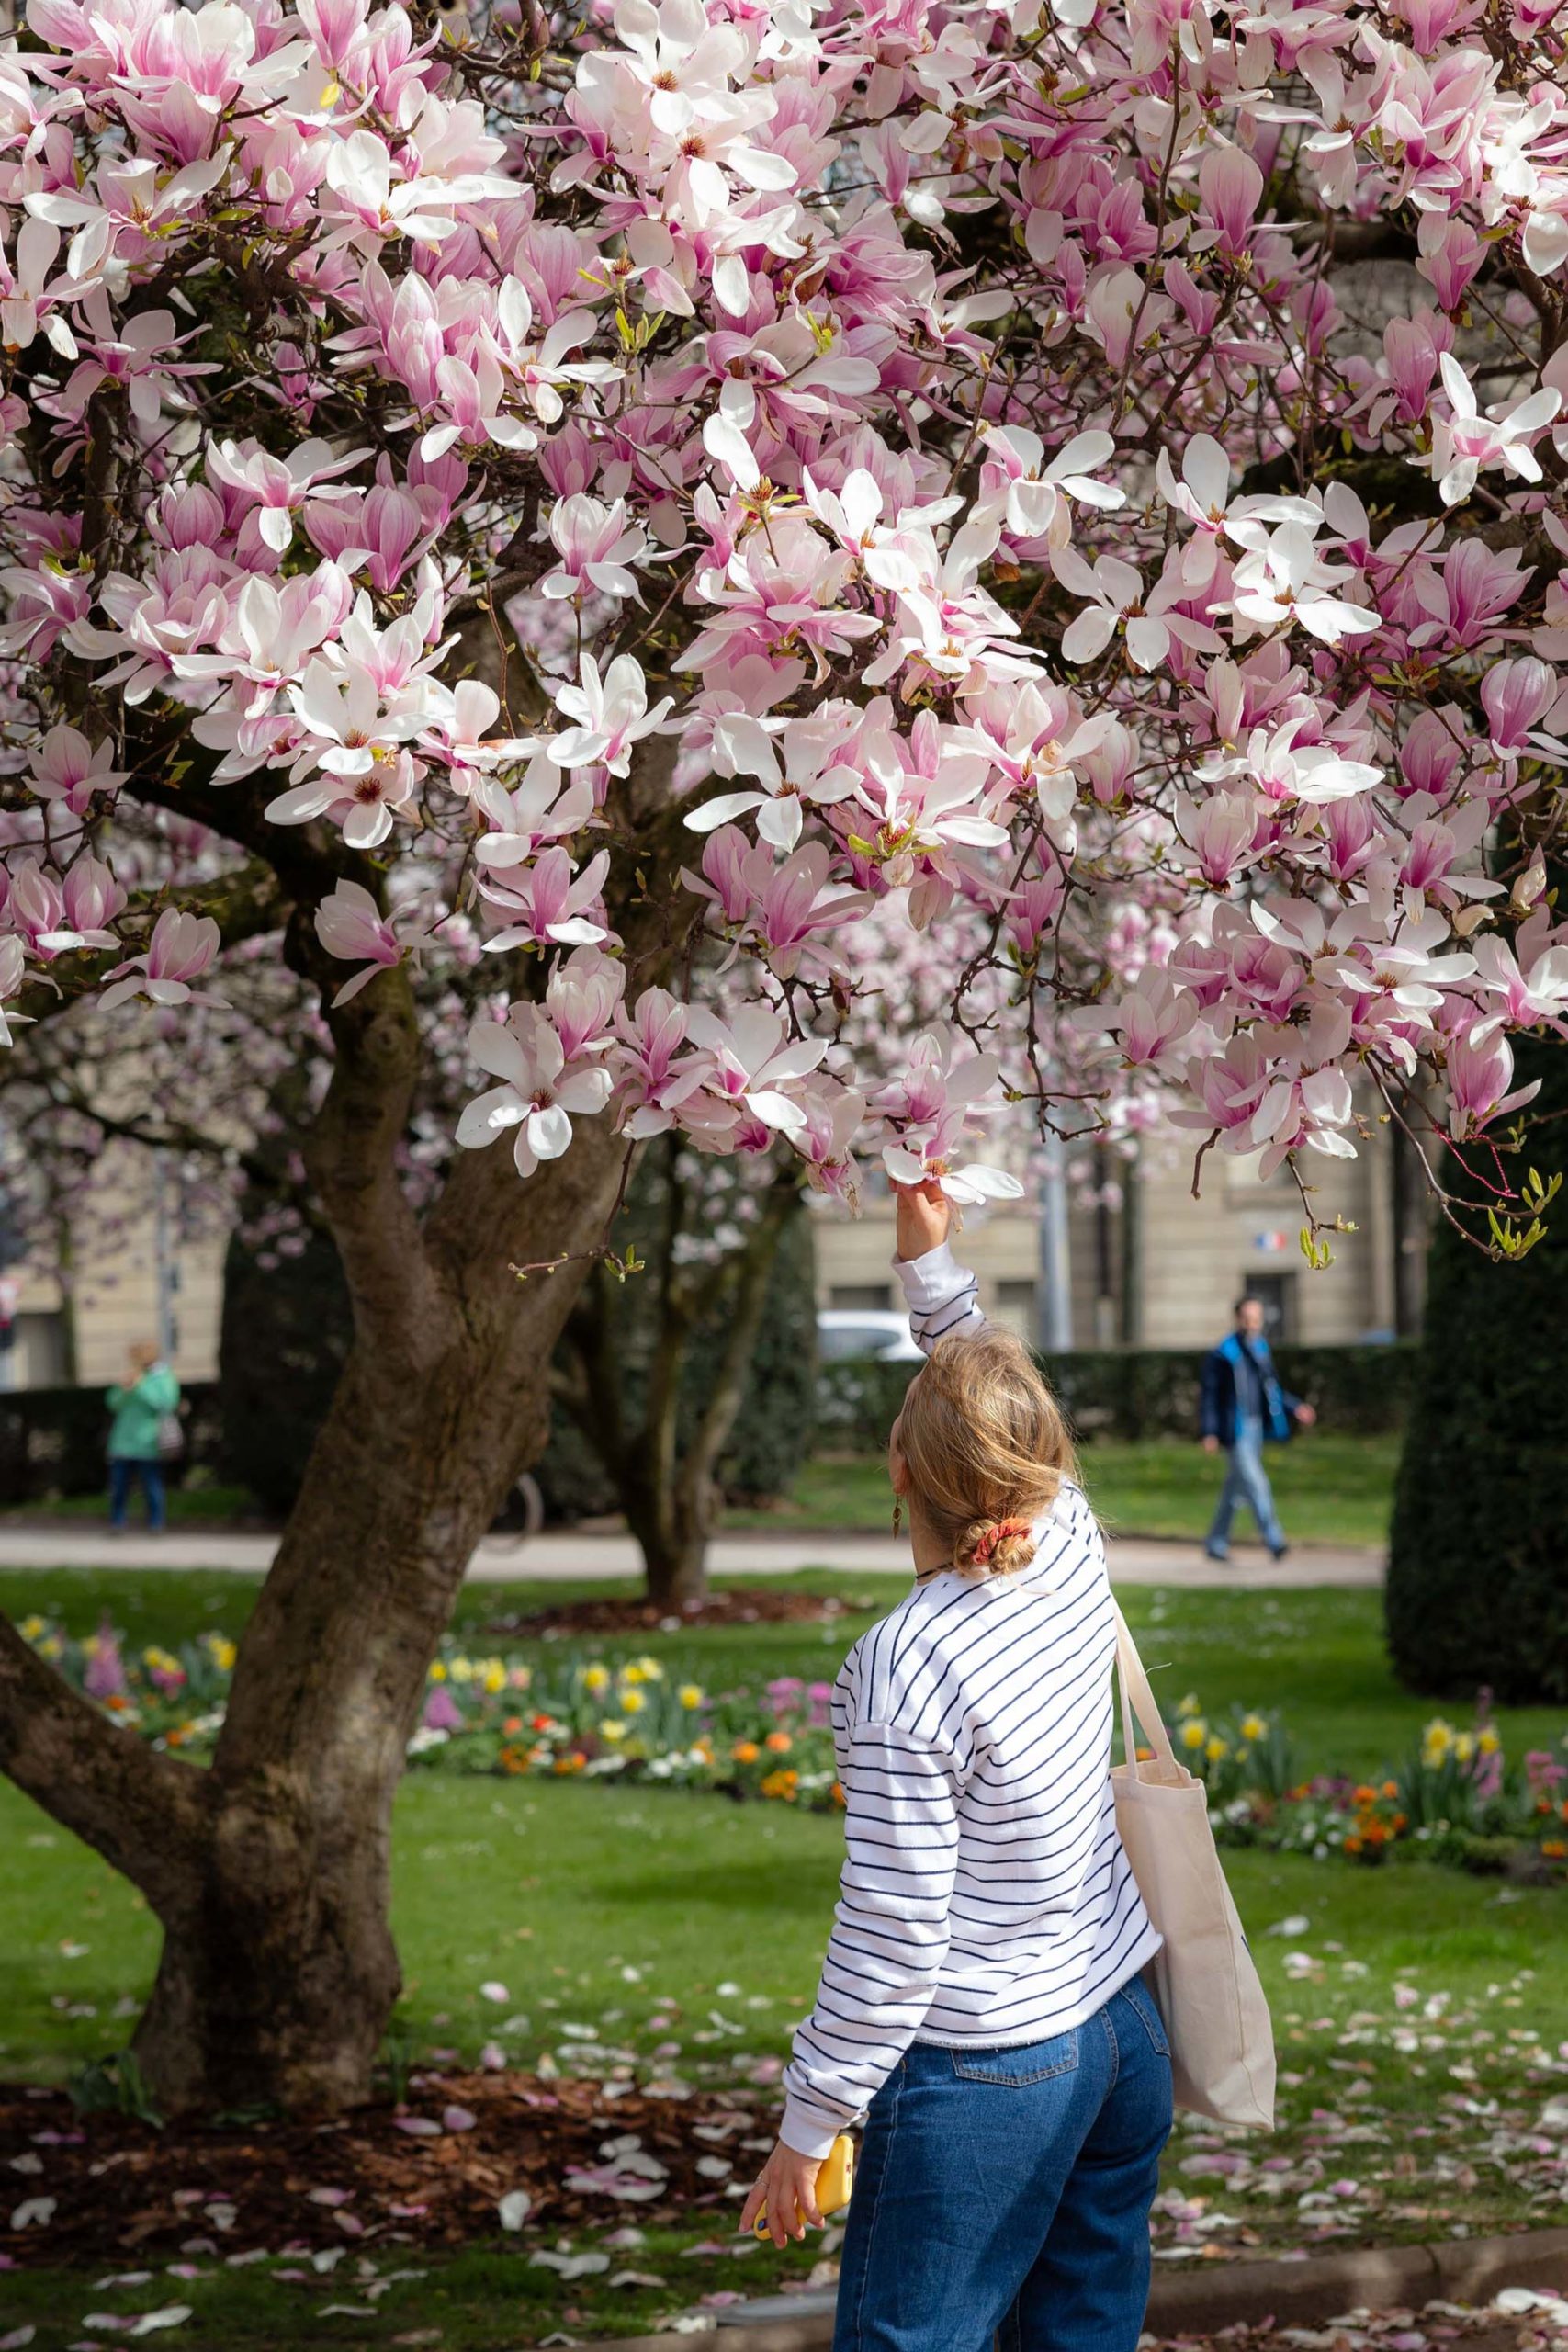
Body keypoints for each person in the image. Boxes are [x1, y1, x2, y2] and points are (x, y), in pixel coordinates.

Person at [740, 1182, 1172, 2352]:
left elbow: (894, 1928)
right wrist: (931, 1269)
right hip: (1122, 2029)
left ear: (900, 1468)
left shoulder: (905, 1663)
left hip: (993, 2067)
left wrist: (810, 2119)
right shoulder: (1070, 1536)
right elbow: (996, 1408)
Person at [1199, 1298, 1314, 1563]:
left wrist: (1295, 1407)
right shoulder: (1224, 1353)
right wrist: (1209, 1431)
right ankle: (1275, 1540)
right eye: (1247, 1317)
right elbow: (1210, 1395)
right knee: (1257, 1484)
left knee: (1235, 1491)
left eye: (1256, 1317)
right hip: (1235, 1431)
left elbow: (1271, 1388)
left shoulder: (1260, 1349)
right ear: (1238, 1319)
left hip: (1255, 1428)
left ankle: (1216, 1543)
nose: (1252, 1322)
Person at [106, 1342, 180, 1534]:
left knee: (151, 1486)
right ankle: (117, 1522)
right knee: (119, 1487)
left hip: (149, 1442)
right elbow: (112, 1403)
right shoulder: (130, 1376)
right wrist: (124, 1389)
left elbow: (165, 1404)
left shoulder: (162, 1377)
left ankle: (156, 1523)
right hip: (122, 1442)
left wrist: (141, 1387)